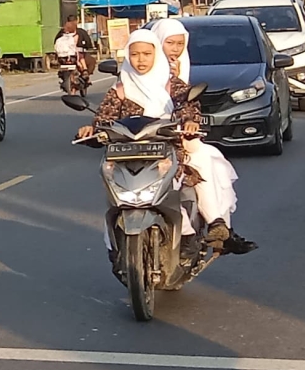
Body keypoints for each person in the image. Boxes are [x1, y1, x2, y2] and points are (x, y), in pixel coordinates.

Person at [77, 22, 256, 254]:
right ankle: (116, 247)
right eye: (135, 54)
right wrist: (91, 130)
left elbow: (188, 107)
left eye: (147, 54)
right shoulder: (120, 89)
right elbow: (104, 118)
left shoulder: (173, 85)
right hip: (129, 155)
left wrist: (190, 122)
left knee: (186, 178)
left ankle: (213, 225)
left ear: (156, 55)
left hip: (167, 150)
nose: (141, 60)